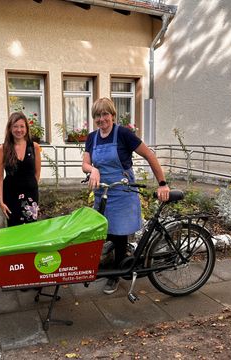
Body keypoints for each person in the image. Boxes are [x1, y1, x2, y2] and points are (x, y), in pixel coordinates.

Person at [82, 97, 170, 295]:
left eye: (105, 114)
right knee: (103, 230)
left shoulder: (123, 134)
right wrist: (93, 170)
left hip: (122, 191)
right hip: (103, 192)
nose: (101, 119)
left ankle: (116, 274)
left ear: (113, 115)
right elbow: (85, 164)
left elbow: (150, 155)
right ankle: (116, 261)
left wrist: (162, 183)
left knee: (119, 233)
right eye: (97, 115)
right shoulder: (92, 138)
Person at [0, 112, 41, 227]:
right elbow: (0, 177)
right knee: (14, 228)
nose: (19, 130)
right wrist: (1, 201)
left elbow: (37, 173)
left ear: (26, 128)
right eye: (15, 126)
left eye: (22, 126)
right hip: (11, 195)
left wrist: (30, 186)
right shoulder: (3, 149)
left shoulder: (34, 146)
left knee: (31, 228)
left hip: (31, 195)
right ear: (10, 128)